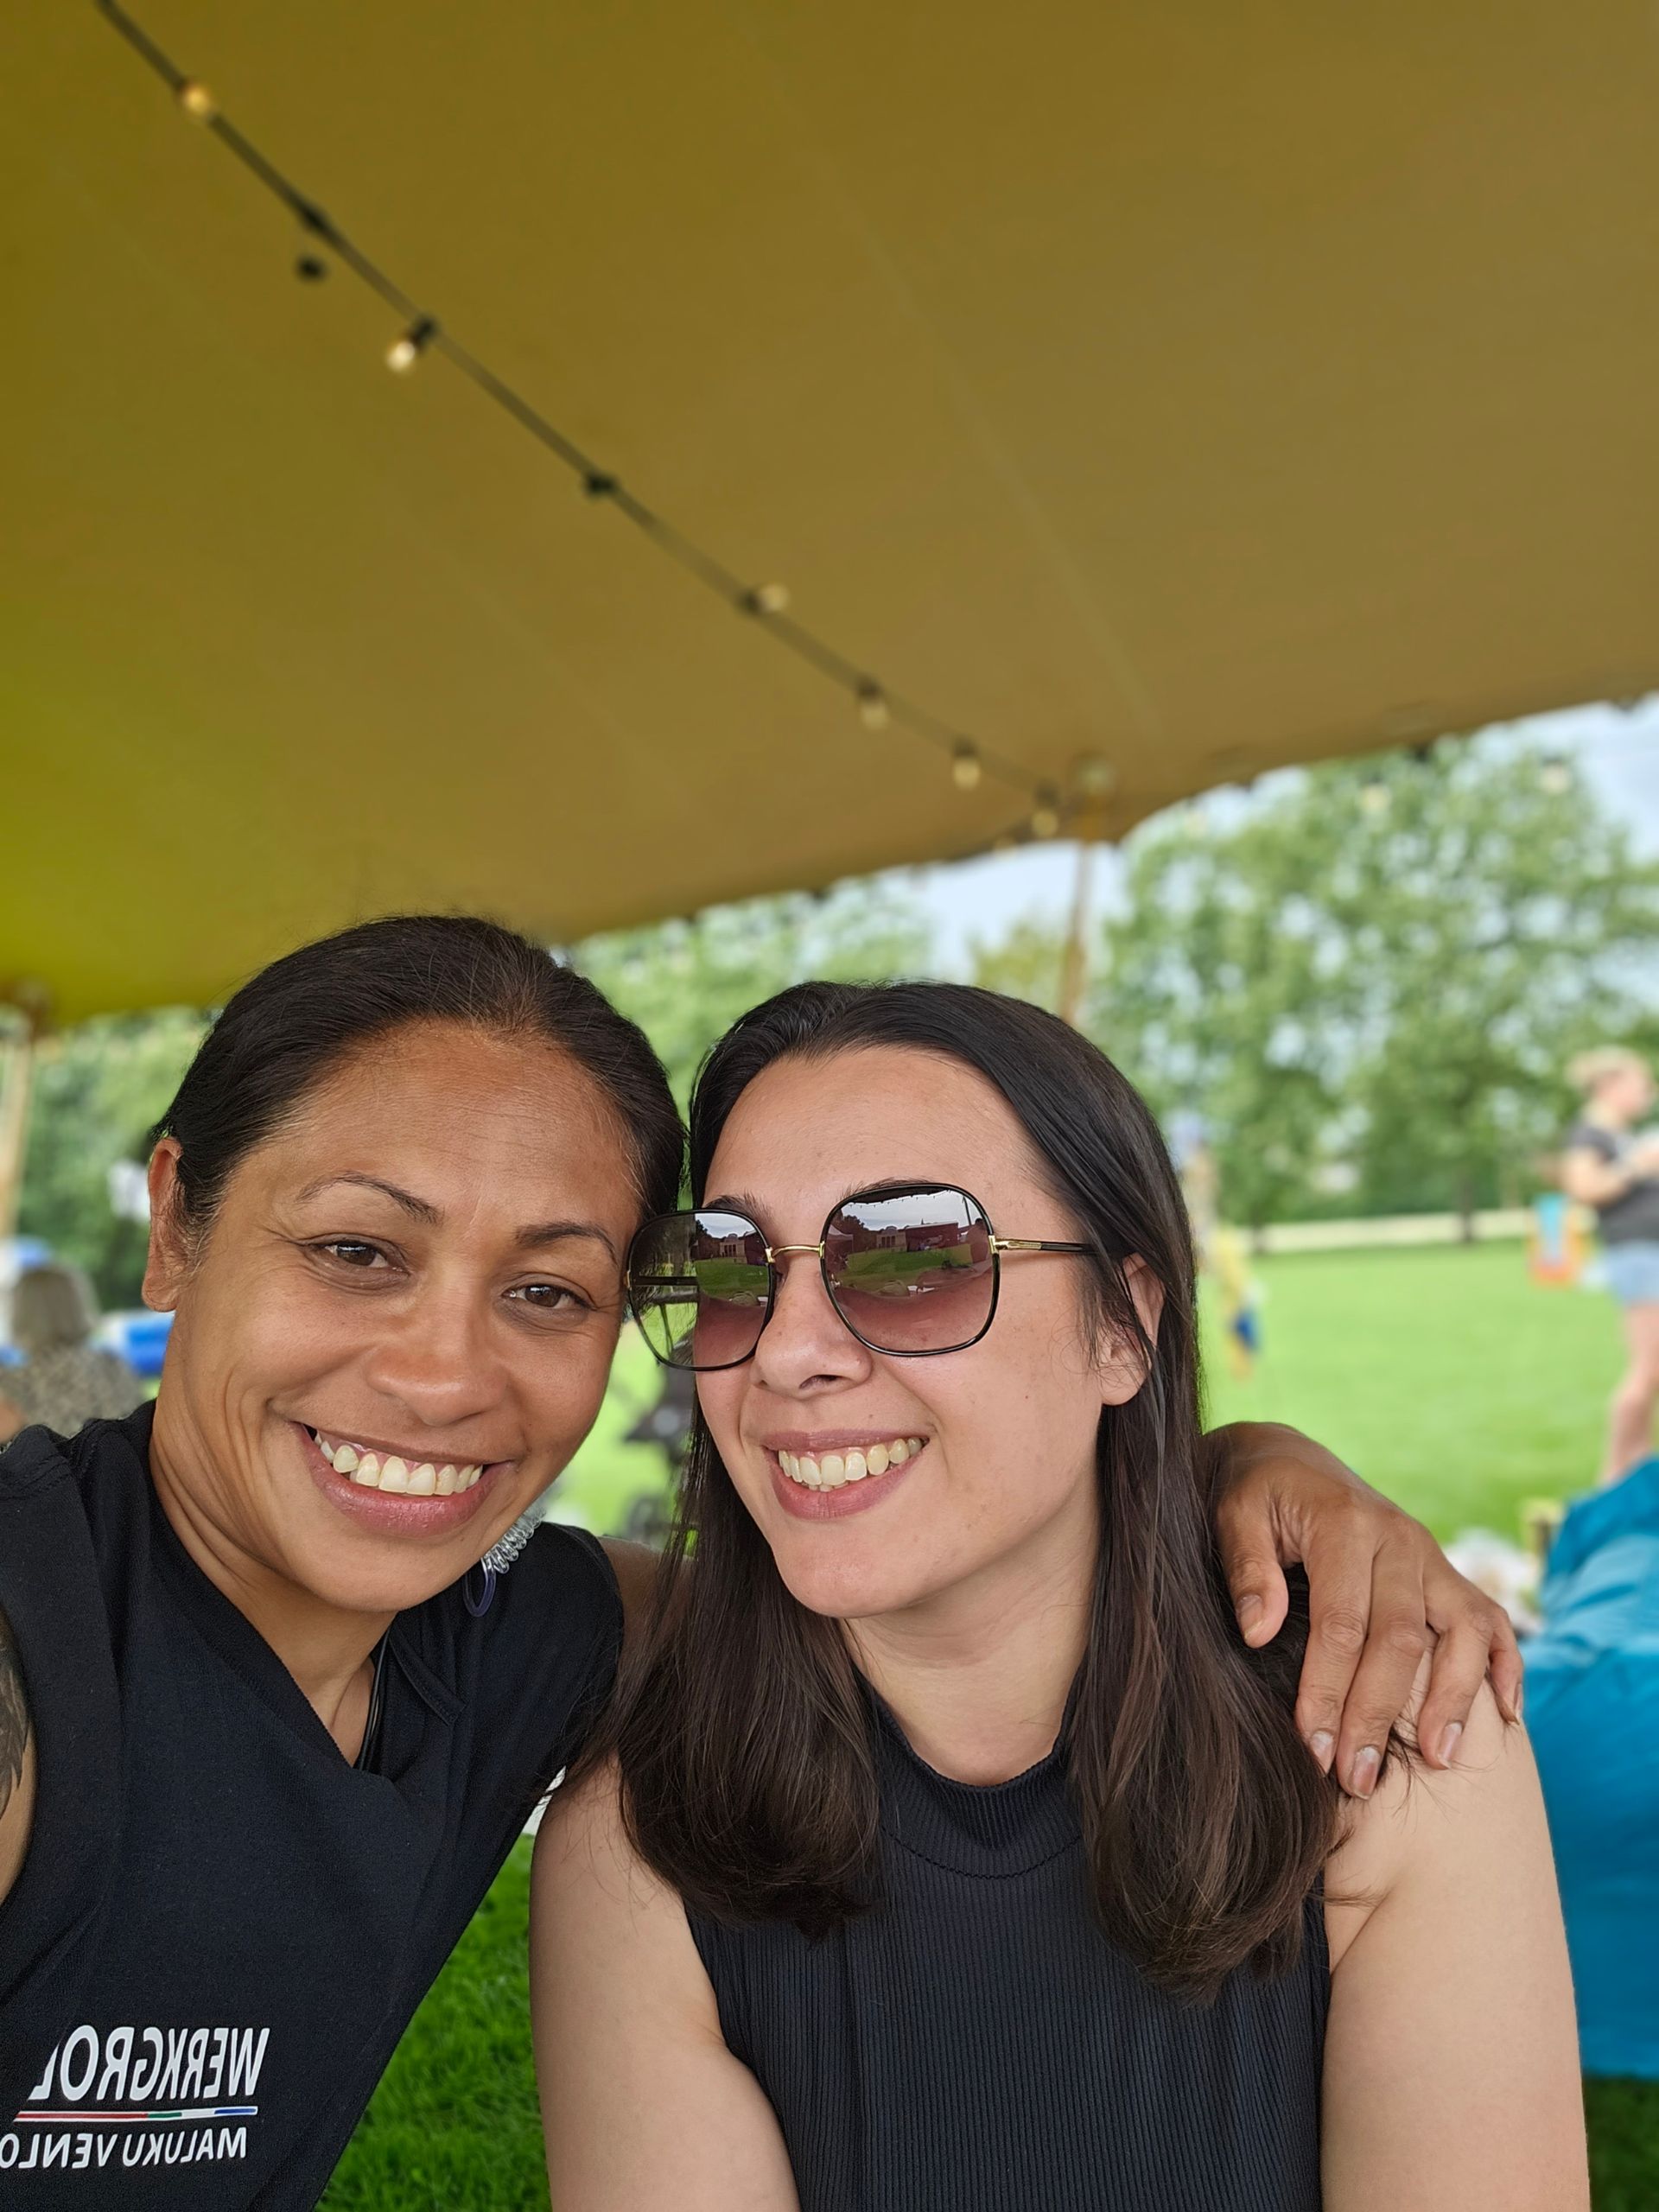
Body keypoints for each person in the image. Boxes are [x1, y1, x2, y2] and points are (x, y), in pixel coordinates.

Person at [0, 918, 1519, 2209]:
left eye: (549, 1286)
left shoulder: (523, 1646)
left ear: (1127, 1320)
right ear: (178, 1228)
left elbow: (855, 1576)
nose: (442, 1373)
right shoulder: (39, 1654)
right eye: (355, 1252)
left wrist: (1245, 1463)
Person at [533, 981, 1583, 2212]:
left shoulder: (1392, 1741)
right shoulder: (640, 1850)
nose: (784, 1349)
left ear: (1123, 1327)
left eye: (913, 1255)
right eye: (728, 1265)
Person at [1560, 1047, 1659, 1483]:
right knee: (1648, 1369)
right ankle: (1614, 1477)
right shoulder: (1591, 1135)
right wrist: (1638, 1165)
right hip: (1635, 1254)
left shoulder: (1621, 1135)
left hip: (1647, 1251)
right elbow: (1583, 1187)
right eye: (1642, 1085)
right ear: (1610, 1086)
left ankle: (1637, 1470)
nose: (1649, 1094)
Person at [0, 1262, 146, 1444]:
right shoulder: (113, 1364)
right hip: (126, 1468)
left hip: (62, 1471)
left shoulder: (18, 1382)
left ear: (20, 1314)